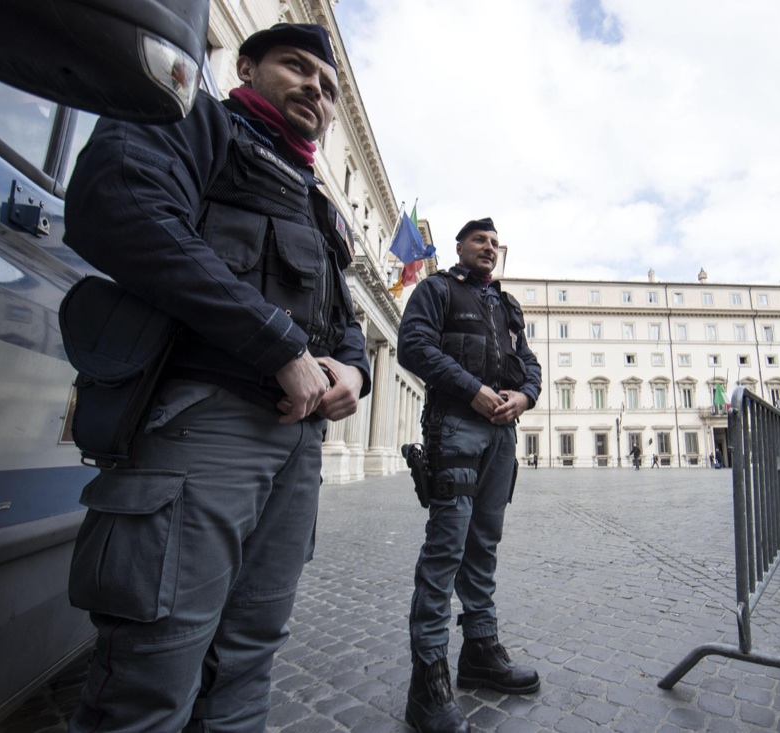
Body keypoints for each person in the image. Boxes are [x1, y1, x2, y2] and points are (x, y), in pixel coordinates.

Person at [61, 24, 371, 732]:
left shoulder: (316, 200)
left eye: (326, 88)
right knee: (153, 669)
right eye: (296, 69)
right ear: (247, 65)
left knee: (249, 655)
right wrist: (276, 345)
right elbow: (120, 206)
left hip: (297, 448)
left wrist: (353, 368)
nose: (314, 92)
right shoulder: (191, 120)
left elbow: (342, 317)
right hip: (203, 424)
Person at [397, 218, 542, 733]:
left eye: (496, 243)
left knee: (484, 545)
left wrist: (524, 396)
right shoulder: (437, 290)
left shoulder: (507, 307)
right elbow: (412, 348)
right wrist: (472, 389)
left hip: (502, 436)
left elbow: (529, 365)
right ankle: (428, 680)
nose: (490, 247)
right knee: (446, 550)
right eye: (480, 240)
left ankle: (480, 650)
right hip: (454, 428)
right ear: (459, 247)